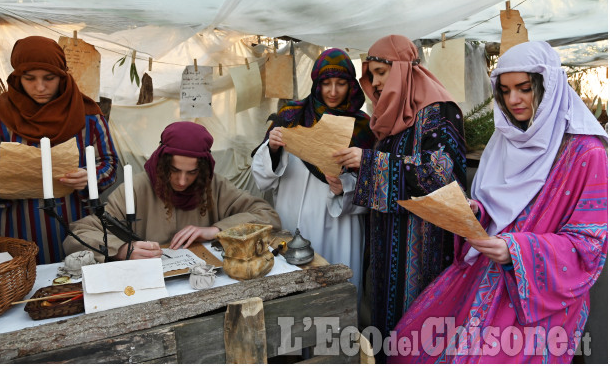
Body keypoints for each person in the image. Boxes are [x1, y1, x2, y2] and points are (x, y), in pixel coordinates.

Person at [388, 41, 608, 363]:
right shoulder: (505, 139)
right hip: (485, 271)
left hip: (539, 295)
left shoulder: (587, 154)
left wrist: (518, 251)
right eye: (504, 90)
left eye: (524, 88)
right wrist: (477, 211)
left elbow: (591, 243)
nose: (513, 100)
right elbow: (502, 202)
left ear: (548, 87)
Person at [334, 35, 466, 361]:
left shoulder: (438, 112)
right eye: (371, 75)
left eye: (381, 72)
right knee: (387, 331)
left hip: (425, 249)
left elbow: (440, 174)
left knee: (420, 331)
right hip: (387, 247)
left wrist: (369, 162)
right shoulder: (392, 121)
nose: (376, 83)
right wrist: (352, 173)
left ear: (403, 69)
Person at [0, 36, 118, 264]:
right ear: (16, 78)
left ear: (62, 76)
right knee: (28, 289)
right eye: (29, 78)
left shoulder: (88, 116)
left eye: (49, 78)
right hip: (20, 227)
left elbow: (109, 163)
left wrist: (89, 176)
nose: (39, 87)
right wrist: (2, 183)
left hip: (78, 226)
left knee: (80, 286)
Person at [251, 48, 375, 292]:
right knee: (289, 293)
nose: (332, 91)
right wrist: (273, 149)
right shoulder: (291, 116)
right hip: (289, 220)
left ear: (351, 85)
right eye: (326, 83)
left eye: (341, 84)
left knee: (336, 293)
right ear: (316, 83)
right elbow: (261, 179)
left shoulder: (362, 127)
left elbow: (374, 186)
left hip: (338, 227)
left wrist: (345, 188)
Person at [64, 121, 282, 260]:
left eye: (192, 173)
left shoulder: (213, 186)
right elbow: (77, 236)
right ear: (161, 162)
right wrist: (122, 250)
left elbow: (267, 216)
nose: (182, 181)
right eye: (174, 171)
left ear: (204, 169)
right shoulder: (136, 188)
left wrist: (216, 230)